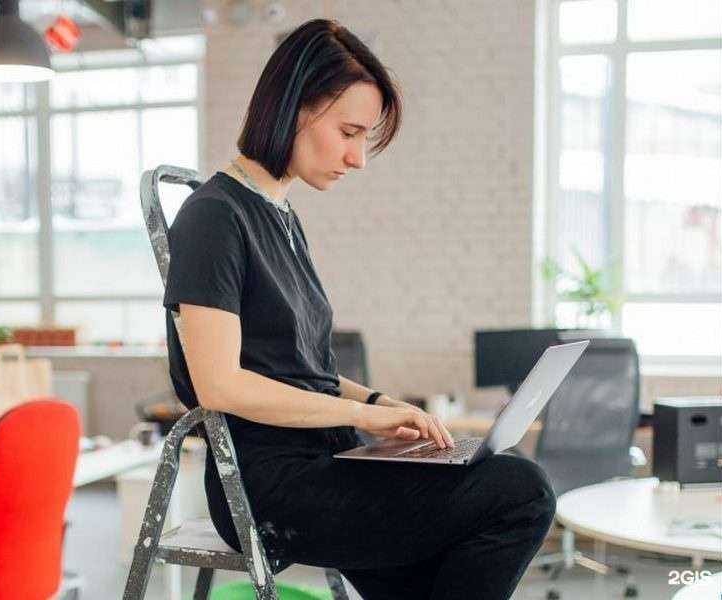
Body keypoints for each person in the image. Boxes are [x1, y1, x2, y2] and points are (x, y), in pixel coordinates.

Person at [163, 18, 556, 600]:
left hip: (328, 459)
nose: (358, 158)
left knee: (436, 574)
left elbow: (301, 372)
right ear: (294, 107)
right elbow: (219, 385)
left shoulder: (281, 218)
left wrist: (378, 403)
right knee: (522, 491)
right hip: (269, 485)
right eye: (349, 132)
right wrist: (366, 419)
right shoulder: (213, 216)